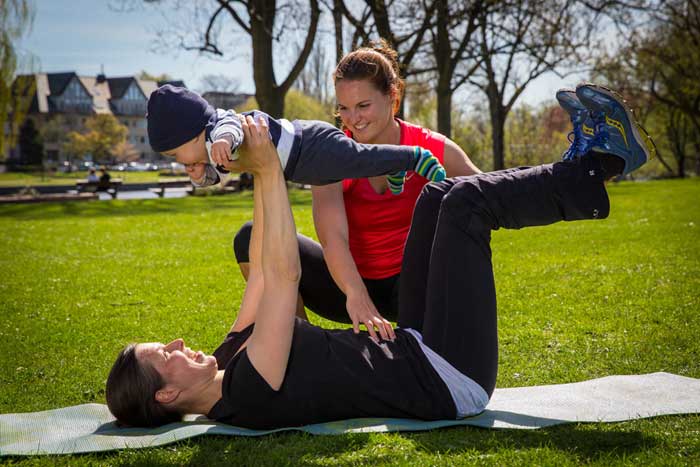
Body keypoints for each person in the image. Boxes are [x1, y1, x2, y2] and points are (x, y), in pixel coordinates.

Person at [106, 83, 656, 429]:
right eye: (165, 353)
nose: (178, 342)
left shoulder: (231, 353)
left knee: (438, 197)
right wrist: (271, 169)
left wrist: (254, 165)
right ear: (170, 393)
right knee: (466, 202)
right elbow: (282, 275)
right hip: (448, 378)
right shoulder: (247, 395)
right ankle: (597, 166)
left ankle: (589, 163)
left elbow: (261, 254)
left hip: (415, 342)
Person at [234, 41, 481, 340]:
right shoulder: (331, 154)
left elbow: (491, 193)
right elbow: (332, 237)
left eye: (363, 105)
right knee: (250, 237)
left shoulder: (432, 147)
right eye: (344, 108)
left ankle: (420, 343)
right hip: (347, 284)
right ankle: (296, 349)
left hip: (414, 286)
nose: (354, 119)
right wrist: (356, 294)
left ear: (393, 96)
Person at [146, 84, 447, 194]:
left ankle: (412, 157)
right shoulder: (210, 152)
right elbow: (216, 176)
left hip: (311, 144)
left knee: (357, 159)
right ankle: (390, 165)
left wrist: (224, 140)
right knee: (359, 164)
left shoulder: (217, 127)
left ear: (191, 134)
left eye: (174, 154)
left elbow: (231, 126)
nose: (179, 163)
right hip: (304, 167)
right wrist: (201, 175)